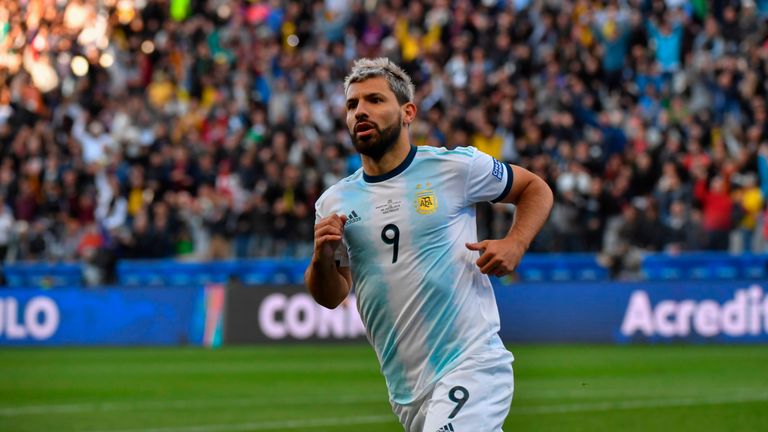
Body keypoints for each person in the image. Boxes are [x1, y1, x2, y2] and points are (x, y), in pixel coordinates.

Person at [305, 58, 553, 432]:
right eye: (352, 104)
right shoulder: (334, 203)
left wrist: (515, 243)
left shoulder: (455, 168)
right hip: (406, 389)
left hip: (471, 362)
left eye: (374, 100)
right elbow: (331, 293)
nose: (361, 112)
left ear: (408, 112)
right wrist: (322, 257)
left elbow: (535, 187)